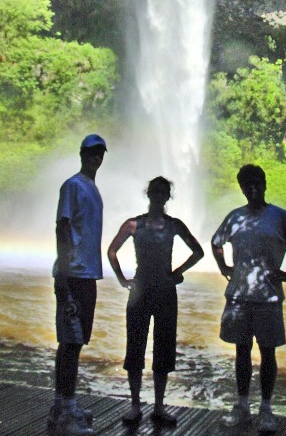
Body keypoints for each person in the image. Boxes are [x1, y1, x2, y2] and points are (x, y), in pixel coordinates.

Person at [211, 164, 286, 432]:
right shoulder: (235, 217)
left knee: (268, 353)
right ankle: (242, 405)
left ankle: (266, 409)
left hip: (268, 297)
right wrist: (223, 267)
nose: (252, 188)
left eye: (256, 182)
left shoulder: (280, 217)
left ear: (265, 184)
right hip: (239, 296)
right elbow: (216, 242)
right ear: (242, 188)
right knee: (241, 352)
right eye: (247, 184)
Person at [108, 176, 204, 426]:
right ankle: (135, 405)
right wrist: (122, 279)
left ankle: (159, 406)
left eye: (163, 192)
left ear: (167, 196)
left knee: (164, 349)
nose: (159, 196)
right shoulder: (133, 224)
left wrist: (177, 273)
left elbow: (199, 252)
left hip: (164, 293)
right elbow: (111, 250)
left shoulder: (174, 225)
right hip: (140, 292)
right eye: (155, 191)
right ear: (148, 194)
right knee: (135, 347)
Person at [47, 134, 107, 436]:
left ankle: (62, 406)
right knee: (70, 342)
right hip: (74, 275)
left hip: (88, 275)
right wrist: (63, 273)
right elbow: (62, 226)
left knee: (75, 341)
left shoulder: (93, 189)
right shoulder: (72, 185)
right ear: (82, 154)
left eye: (100, 153)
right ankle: (66, 414)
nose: (96, 157)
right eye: (91, 152)